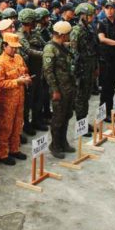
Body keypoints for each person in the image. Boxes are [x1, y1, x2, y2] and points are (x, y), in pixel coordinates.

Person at [0, 32, 30, 165]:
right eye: (12, 47)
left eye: (16, 47)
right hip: (6, 101)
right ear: (4, 46)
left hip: (20, 98)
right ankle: (2, 154)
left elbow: (25, 71)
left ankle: (14, 149)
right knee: (5, 127)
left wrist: (26, 78)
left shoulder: (19, 58)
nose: (15, 50)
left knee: (17, 125)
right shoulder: (0, 62)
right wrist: (17, 82)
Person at [42, 21, 76, 159]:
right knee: (58, 118)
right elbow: (48, 72)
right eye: (67, 34)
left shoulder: (61, 46)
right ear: (61, 35)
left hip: (68, 86)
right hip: (59, 89)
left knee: (67, 115)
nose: (69, 37)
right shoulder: (50, 49)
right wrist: (55, 90)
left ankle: (63, 142)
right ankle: (55, 145)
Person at [70, 4, 97, 135]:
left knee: (86, 96)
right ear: (83, 16)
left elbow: (93, 49)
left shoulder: (89, 28)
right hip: (81, 69)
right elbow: (74, 52)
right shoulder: (76, 31)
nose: (92, 18)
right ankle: (81, 126)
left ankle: (84, 122)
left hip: (89, 66)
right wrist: (76, 72)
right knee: (81, 98)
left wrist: (95, 66)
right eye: (89, 15)